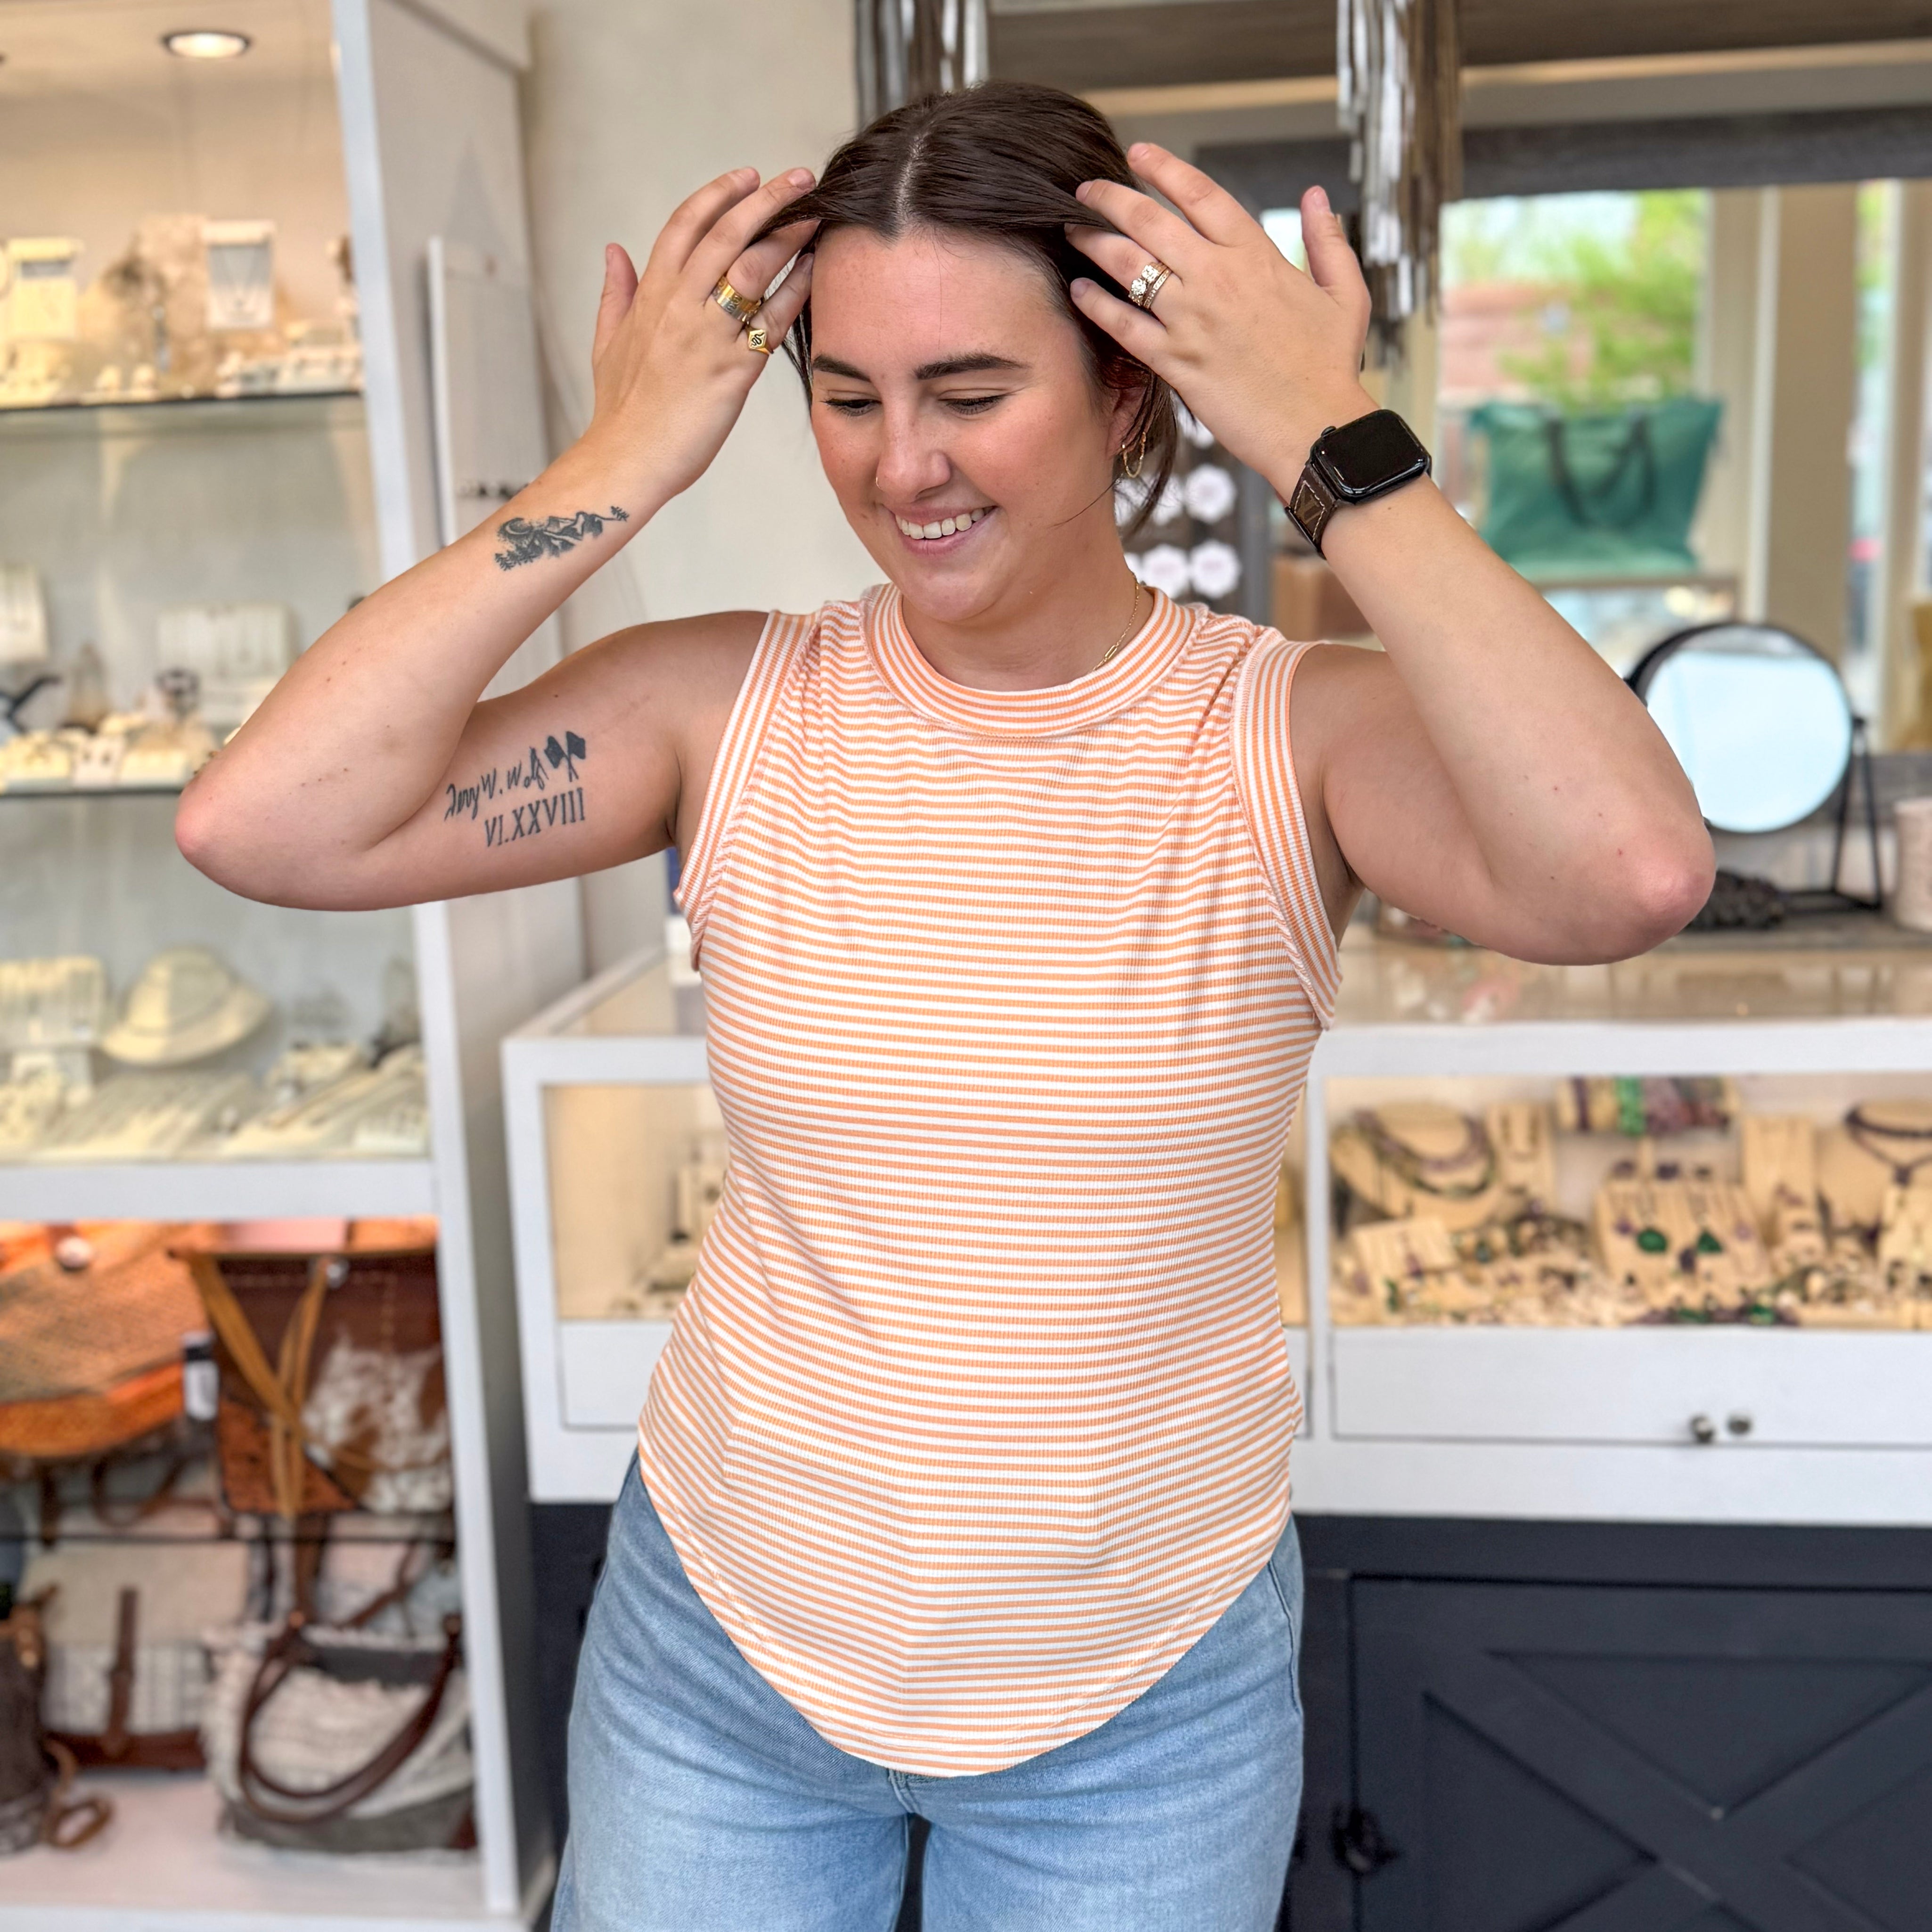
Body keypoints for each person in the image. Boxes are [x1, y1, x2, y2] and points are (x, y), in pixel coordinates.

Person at [177, 79, 1712, 1932]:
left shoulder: (1286, 732)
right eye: (845, 397)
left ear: (1127, 390)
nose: (901, 464)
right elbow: (258, 819)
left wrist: (1329, 436)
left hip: (1143, 1690)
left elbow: (1626, 870)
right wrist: (618, 463)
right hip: (722, 1653)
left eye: (969, 393)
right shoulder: (721, 704)